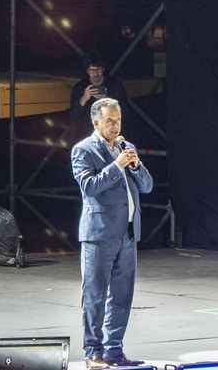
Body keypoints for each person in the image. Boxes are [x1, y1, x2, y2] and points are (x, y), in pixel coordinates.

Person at [71, 98, 152, 369]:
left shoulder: (127, 148)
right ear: (96, 122)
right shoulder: (83, 150)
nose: (116, 125)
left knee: (122, 295)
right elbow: (90, 187)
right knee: (94, 296)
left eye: (118, 120)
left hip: (127, 234)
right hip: (99, 235)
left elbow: (148, 186)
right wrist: (117, 165)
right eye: (110, 120)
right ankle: (92, 352)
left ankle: (114, 351)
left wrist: (136, 165)